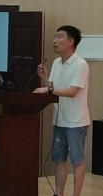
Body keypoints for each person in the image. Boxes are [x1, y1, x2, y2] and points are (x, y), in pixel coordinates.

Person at [34, 25, 90, 196]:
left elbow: (72, 91)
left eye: (59, 37)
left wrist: (47, 89)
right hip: (59, 119)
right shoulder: (57, 63)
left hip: (76, 121)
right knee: (59, 159)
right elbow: (53, 89)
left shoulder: (80, 64)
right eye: (55, 36)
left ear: (71, 41)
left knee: (77, 161)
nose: (54, 41)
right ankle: (59, 194)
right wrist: (44, 78)